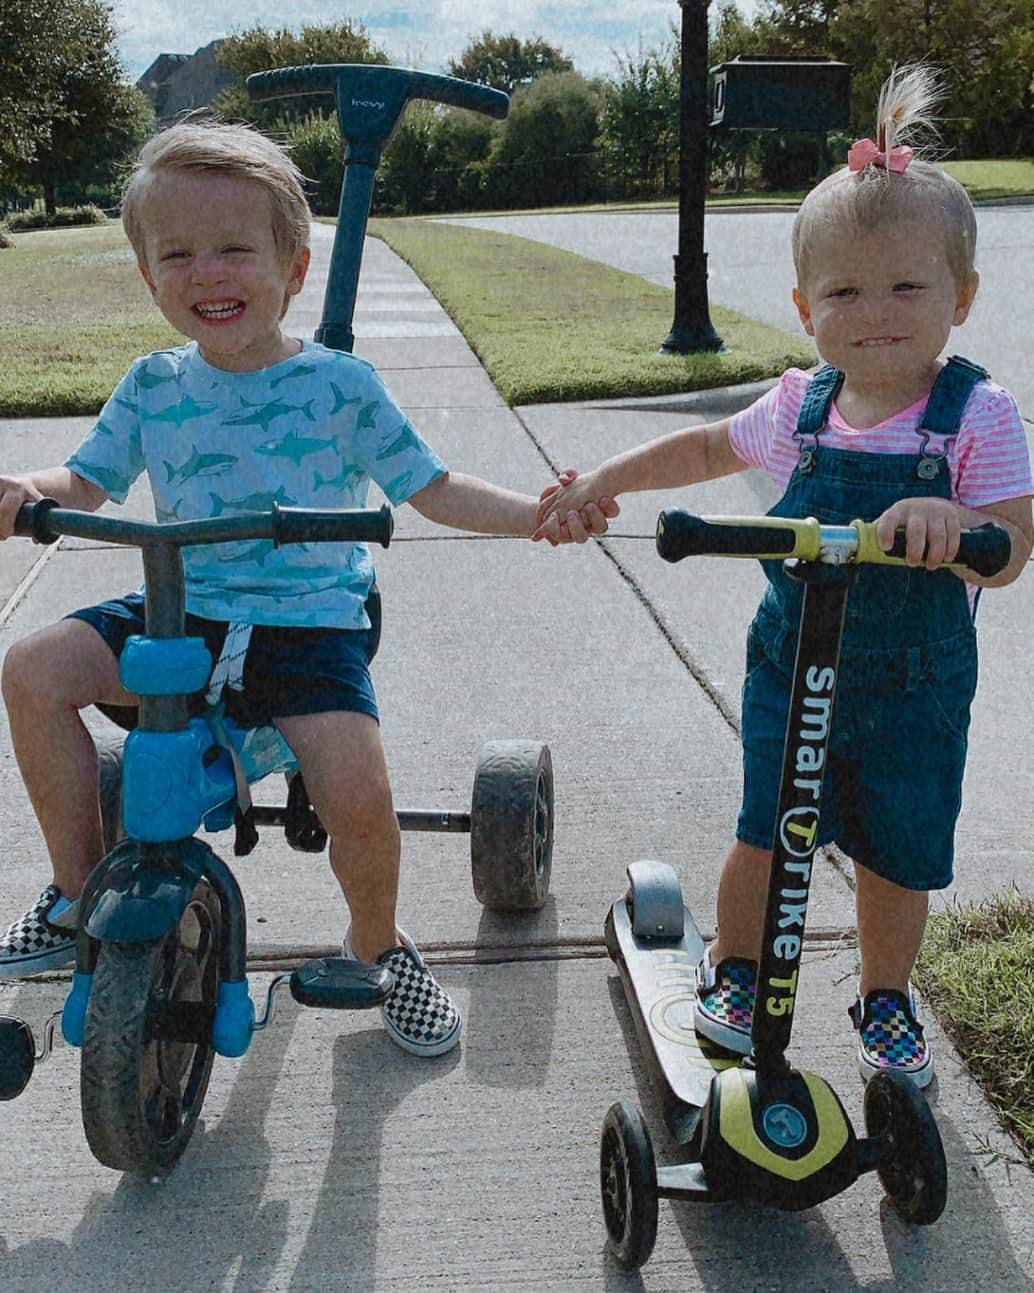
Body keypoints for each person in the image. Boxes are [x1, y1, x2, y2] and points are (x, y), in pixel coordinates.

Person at [0, 120, 610, 1057]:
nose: (208, 273)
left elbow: (435, 488)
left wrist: (539, 509)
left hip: (308, 624)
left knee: (358, 792)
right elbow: (81, 486)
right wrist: (24, 496)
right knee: (33, 668)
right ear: (147, 275)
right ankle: (78, 891)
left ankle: (378, 946)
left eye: (236, 249)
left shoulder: (340, 387)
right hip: (181, 608)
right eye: (179, 254)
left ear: (292, 266)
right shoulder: (151, 386)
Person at [534, 65, 1033, 1086]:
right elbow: (705, 450)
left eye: (905, 286)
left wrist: (959, 518)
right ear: (806, 308)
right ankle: (736, 971)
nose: (874, 311)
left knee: (897, 853)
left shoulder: (977, 417)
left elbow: (1014, 544)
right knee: (768, 830)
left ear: (961, 297)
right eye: (844, 291)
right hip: (790, 663)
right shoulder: (800, 407)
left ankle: (884, 997)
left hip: (914, 683)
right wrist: (608, 481)